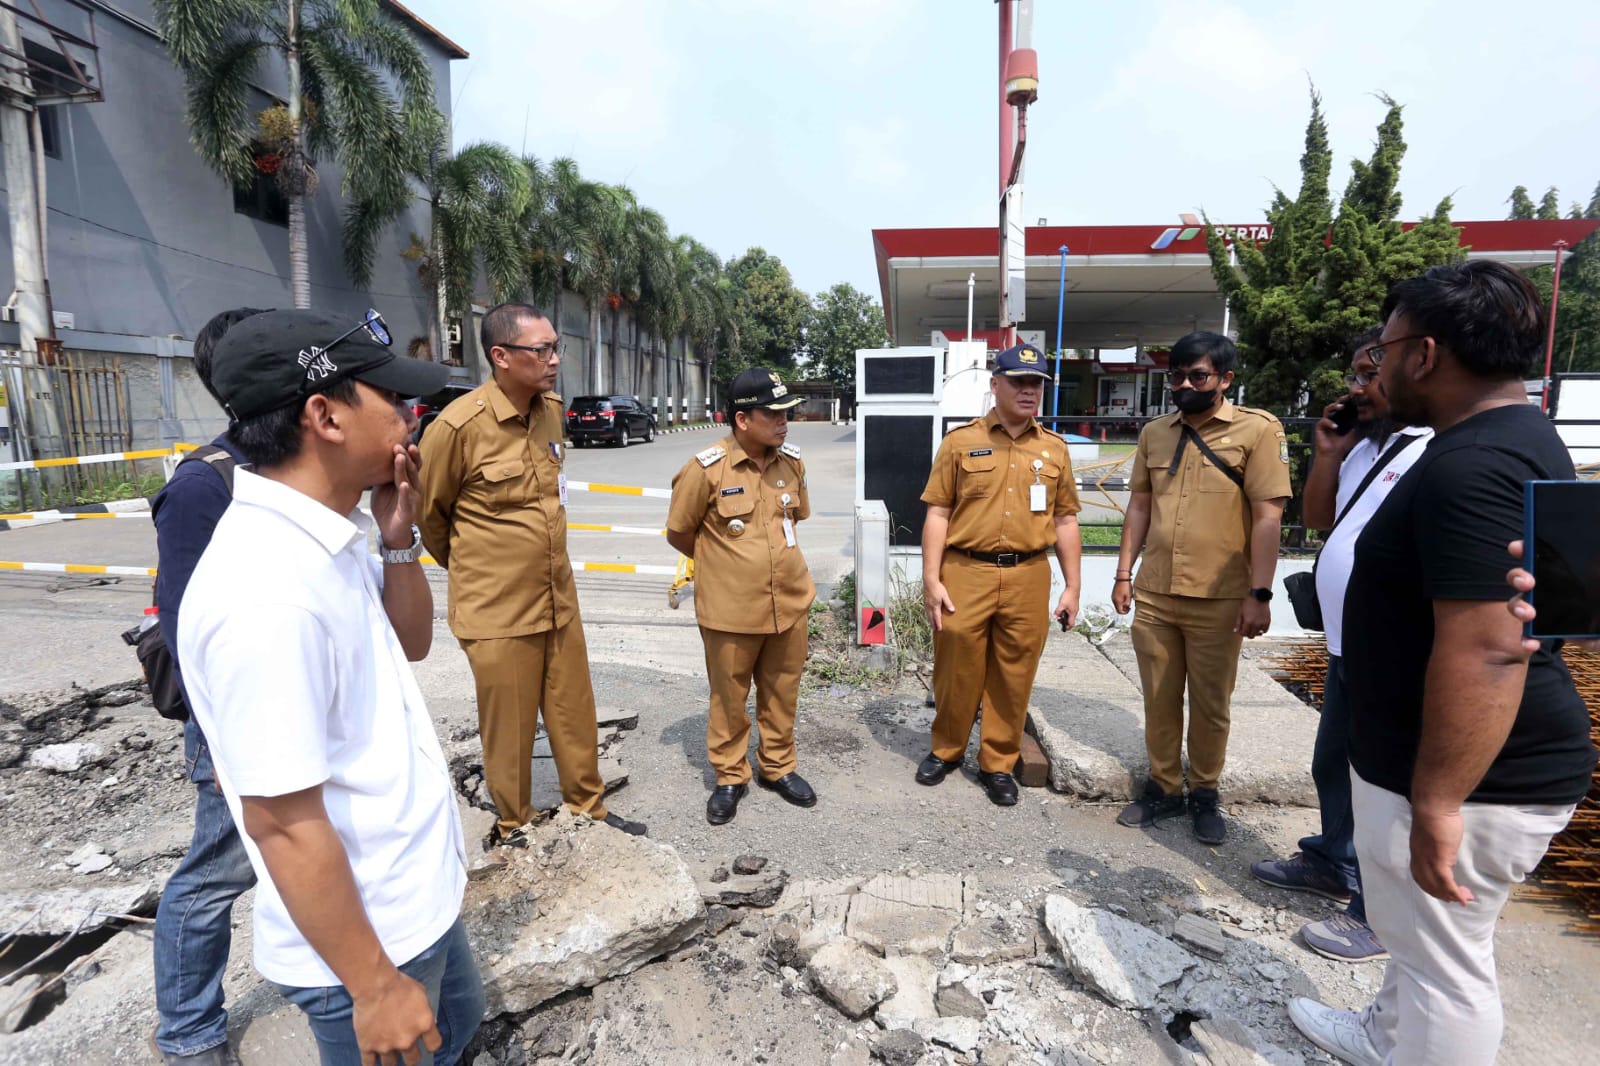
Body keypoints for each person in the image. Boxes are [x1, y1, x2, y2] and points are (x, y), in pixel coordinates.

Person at [1288, 261, 1597, 1066]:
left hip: (1474, 778)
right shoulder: (1509, 438)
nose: (1376, 367)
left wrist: (1438, 801)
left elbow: (1492, 647)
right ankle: (1383, 1037)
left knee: (1446, 969)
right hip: (1451, 763)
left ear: (1425, 354)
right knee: (1420, 939)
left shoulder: (1472, 468)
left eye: (1384, 349)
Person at [176, 308, 483, 1065]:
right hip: (369, 942)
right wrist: (374, 987)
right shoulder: (266, 593)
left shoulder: (330, 533)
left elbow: (410, 643)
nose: (411, 417)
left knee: (464, 1031)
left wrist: (398, 538)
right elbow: (281, 822)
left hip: (415, 903)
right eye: (391, 398)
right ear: (324, 415)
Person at [416, 302, 644, 845]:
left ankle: (588, 811)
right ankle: (514, 825)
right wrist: (483, 570)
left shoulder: (550, 411)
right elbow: (431, 517)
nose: (554, 359)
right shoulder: (456, 427)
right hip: (496, 608)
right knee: (509, 726)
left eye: (554, 348)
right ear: (500, 356)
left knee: (573, 710)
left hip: (556, 597)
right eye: (540, 350)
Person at [1251, 330, 1432, 963]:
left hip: (1394, 652)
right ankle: (1334, 859)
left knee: (1385, 783)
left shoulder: (1434, 449)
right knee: (1335, 762)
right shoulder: (1369, 444)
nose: (1354, 387)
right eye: (1352, 373)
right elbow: (1320, 519)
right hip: (1346, 645)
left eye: (1367, 373)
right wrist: (1327, 454)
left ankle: (1377, 913)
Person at [1111, 331, 1291, 844]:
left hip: (1220, 598)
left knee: (1211, 703)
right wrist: (1124, 574)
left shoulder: (1257, 431)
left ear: (1225, 379)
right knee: (1159, 698)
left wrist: (1260, 593)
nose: (1185, 385)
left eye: (1198, 376)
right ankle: (1165, 789)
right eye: (1177, 376)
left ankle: (1205, 793)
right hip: (1157, 593)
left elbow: (1267, 517)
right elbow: (1140, 507)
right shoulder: (1155, 433)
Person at [149, 307, 267, 1065]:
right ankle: (189, 1030)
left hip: (285, 709)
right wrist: (220, 740)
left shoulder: (282, 470)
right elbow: (188, 627)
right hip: (234, 720)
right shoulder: (204, 484)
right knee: (218, 871)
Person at [917, 342, 1083, 806]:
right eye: (1019, 382)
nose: (1029, 391)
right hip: (965, 570)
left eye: (1037, 384)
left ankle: (998, 762)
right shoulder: (960, 442)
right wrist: (932, 579)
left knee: (1014, 673)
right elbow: (938, 512)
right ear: (995, 385)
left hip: (1029, 574)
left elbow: (1066, 520)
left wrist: (1072, 586)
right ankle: (947, 750)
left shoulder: (1054, 449)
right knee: (956, 668)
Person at [666, 368, 817, 824]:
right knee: (729, 698)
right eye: (772, 414)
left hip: (788, 603)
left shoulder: (791, 463)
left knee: (782, 691)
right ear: (742, 419)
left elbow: (797, 519)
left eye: (785, 412)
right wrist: (726, 567)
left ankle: (777, 766)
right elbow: (679, 533)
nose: (783, 421)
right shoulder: (706, 469)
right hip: (730, 611)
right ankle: (731, 775)